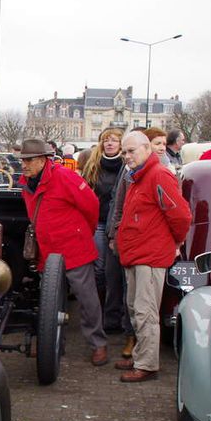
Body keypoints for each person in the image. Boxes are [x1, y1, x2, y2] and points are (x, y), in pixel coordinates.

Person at [16, 138, 108, 365]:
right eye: (22, 160)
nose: (24, 165)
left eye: (29, 160)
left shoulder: (64, 176)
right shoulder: (27, 183)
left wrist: (81, 232)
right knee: (49, 299)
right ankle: (52, 341)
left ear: (42, 160)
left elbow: (91, 205)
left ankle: (98, 343)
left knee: (86, 298)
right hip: (47, 250)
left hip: (73, 247)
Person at [114, 131, 192, 383]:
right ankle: (141, 356)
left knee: (145, 311)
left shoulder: (158, 175)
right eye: (124, 152)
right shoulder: (139, 176)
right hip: (138, 253)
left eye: (131, 151)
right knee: (136, 308)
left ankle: (147, 363)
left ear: (147, 149)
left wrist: (175, 242)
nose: (126, 156)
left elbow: (180, 216)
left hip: (149, 255)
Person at [80, 128, 128, 334]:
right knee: (99, 270)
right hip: (98, 222)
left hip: (118, 223)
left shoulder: (126, 166)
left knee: (114, 272)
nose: (110, 144)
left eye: (114, 140)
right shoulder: (93, 165)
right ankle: (97, 311)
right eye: (106, 140)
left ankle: (113, 315)